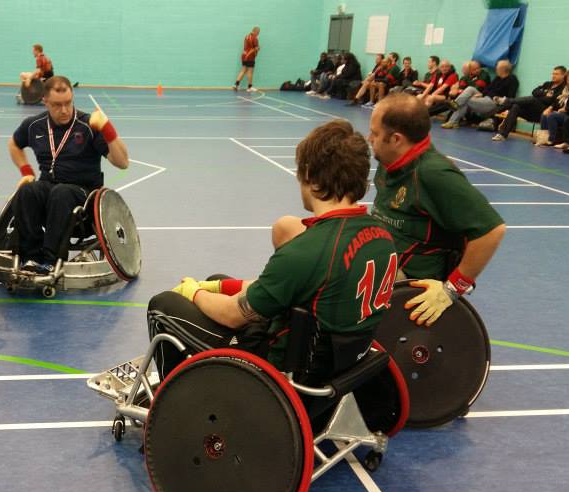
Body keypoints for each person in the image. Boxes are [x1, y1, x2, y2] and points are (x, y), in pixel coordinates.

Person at [146, 120, 398, 379]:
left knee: (163, 305)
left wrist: (194, 291)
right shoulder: (381, 237)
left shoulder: (307, 250)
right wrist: (217, 288)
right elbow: (295, 286)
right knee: (216, 281)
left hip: (282, 369)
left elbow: (233, 315)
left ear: (309, 175)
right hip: (337, 364)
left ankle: (176, 398)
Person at [368, 94, 506, 326]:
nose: (369, 138)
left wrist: (452, 289)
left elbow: (492, 230)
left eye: (375, 133)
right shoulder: (390, 161)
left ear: (396, 139)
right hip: (382, 260)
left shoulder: (433, 174)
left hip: (406, 281)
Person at [6, 76, 130, 274]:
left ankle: (49, 260)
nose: (63, 110)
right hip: (49, 186)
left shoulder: (89, 125)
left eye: (68, 103)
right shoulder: (34, 125)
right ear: (45, 101)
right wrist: (27, 172)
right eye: (56, 105)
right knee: (27, 191)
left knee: (61, 193)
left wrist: (107, 128)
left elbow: (123, 162)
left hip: (84, 192)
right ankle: (30, 257)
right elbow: (13, 144)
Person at [492, 65, 567, 142]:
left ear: (563, 75)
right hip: (532, 113)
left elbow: (552, 101)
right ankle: (502, 135)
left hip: (543, 114)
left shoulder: (563, 89)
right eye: (553, 73)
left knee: (534, 99)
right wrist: (545, 93)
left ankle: (507, 101)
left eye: (556, 74)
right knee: (516, 106)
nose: (553, 76)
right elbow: (534, 92)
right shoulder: (548, 84)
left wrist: (542, 96)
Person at [442, 60, 518, 129]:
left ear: (502, 69)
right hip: (485, 98)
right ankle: (455, 105)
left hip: (494, 102)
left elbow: (510, 97)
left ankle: (453, 120)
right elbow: (488, 88)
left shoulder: (512, 80)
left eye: (497, 68)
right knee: (470, 89)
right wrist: (481, 94)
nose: (496, 69)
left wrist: (500, 101)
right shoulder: (498, 78)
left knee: (466, 100)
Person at [539, 70, 569, 147]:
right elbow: (557, 101)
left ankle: (552, 140)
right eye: (568, 80)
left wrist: (565, 109)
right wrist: (550, 108)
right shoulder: (565, 90)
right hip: (563, 112)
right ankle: (544, 138)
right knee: (545, 115)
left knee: (552, 116)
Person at [233, 27, 261, 93]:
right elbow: (256, 48)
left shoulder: (246, 36)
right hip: (250, 56)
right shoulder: (254, 38)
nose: (258, 34)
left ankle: (236, 84)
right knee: (250, 71)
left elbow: (246, 46)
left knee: (243, 70)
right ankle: (250, 87)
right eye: (258, 32)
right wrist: (258, 48)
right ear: (255, 31)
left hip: (244, 55)